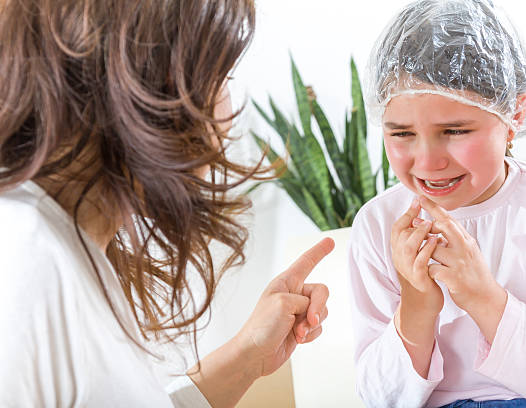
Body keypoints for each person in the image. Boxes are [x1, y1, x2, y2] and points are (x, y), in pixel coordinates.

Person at [0, 1, 334, 407]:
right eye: (222, 79)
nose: (229, 117)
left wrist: (249, 355)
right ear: (146, 87)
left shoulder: (65, 248)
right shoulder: (26, 261)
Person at [348, 0, 526, 407]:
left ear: (514, 113)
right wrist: (416, 305)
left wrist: (481, 294)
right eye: (400, 134)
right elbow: (381, 400)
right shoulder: (378, 225)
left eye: (454, 130)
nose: (428, 162)